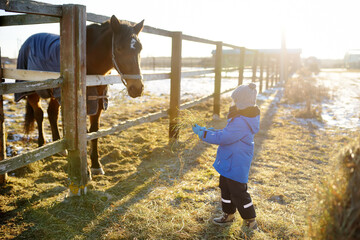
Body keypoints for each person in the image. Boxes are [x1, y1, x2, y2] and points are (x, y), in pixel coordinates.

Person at [192, 82, 260, 230]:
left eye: (235, 100)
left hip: (236, 163)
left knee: (239, 193)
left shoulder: (242, 121)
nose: (233, 103)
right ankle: (228, 215)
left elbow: (224, 138)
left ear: (241, 103)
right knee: (225, 188)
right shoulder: (241, 117)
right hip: (230, 161)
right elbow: (225, 133)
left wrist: (204, 134)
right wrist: (210, 131)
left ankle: (251, 220)